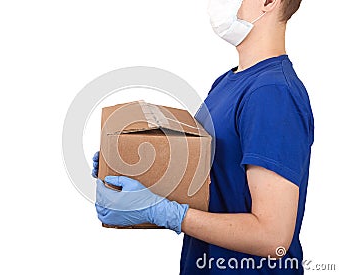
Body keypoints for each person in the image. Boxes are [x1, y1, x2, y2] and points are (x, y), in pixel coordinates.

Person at [92, 0, 314, 274]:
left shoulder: (272, 93)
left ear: (269, 2)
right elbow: (209, 182)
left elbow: (273, 237)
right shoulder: (227, 82)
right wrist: (135, 168)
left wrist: (164, 212)